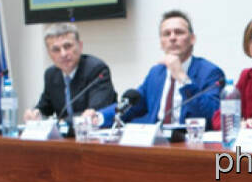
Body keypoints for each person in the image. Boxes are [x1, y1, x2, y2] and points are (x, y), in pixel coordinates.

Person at [92, 11, 224, 128]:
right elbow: (133, 105)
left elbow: (212, 115)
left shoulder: (210, 72)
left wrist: (182, 77)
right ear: (161, 42)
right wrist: (99, 117)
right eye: (166, 34)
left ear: (192, 39)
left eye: (179, 32)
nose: (172, 38)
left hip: (189, 143)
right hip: (156, 142)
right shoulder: (156, 73)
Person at [24, 23, 116, 125]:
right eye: (56, 50)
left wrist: (62, 123)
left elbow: (94, 113)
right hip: (67, 138)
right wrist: (36, 114)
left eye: (67, 46)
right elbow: (45, 107)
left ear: (80, 46)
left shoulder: (97, 70)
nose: (63, 54)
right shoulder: (51, 74)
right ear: (49, 53)